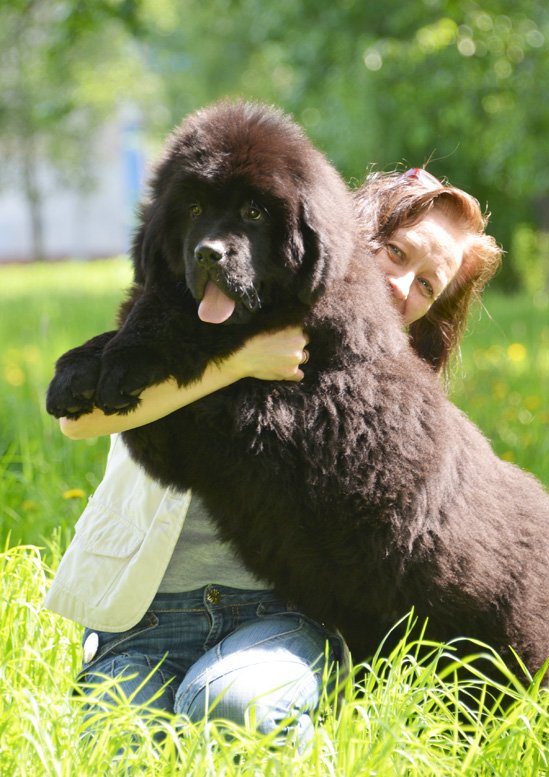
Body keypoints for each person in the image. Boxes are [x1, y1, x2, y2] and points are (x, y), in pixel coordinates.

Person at [46, 168, 502, 747]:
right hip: (143, 616)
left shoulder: (391, 401)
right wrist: (238, 362)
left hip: (279, 619)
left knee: (233, 711)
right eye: (395, 251)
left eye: (426, 286)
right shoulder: (210, 292)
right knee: (116, 747)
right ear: (349, 229)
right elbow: (80, 418)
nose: (399, 284)